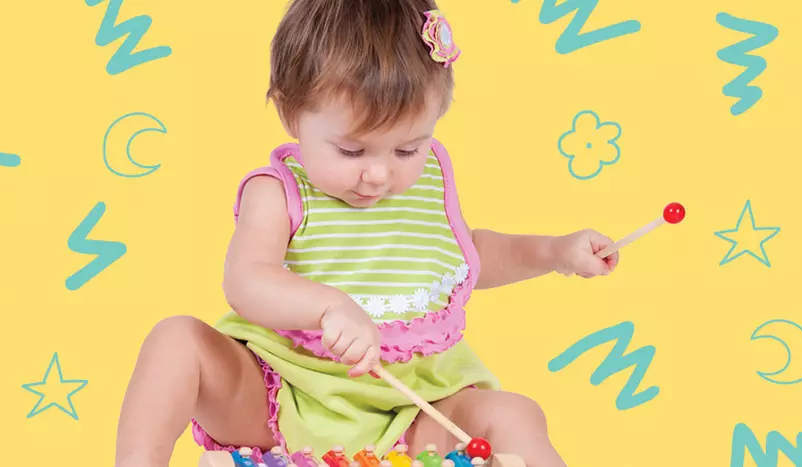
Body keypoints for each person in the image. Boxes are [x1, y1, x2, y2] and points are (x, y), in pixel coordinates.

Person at [114, 2, 621, 466]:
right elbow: (247, 280)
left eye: (406, 150)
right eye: (352, 152)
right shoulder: (278, 193)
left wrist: (554, 251)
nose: (379, 175)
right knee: (175, 340)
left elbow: (467, 255)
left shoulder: (429, 182)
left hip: (410, 410)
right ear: (292, 113)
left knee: (517, 414)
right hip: (282, 389)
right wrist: (326, 306)